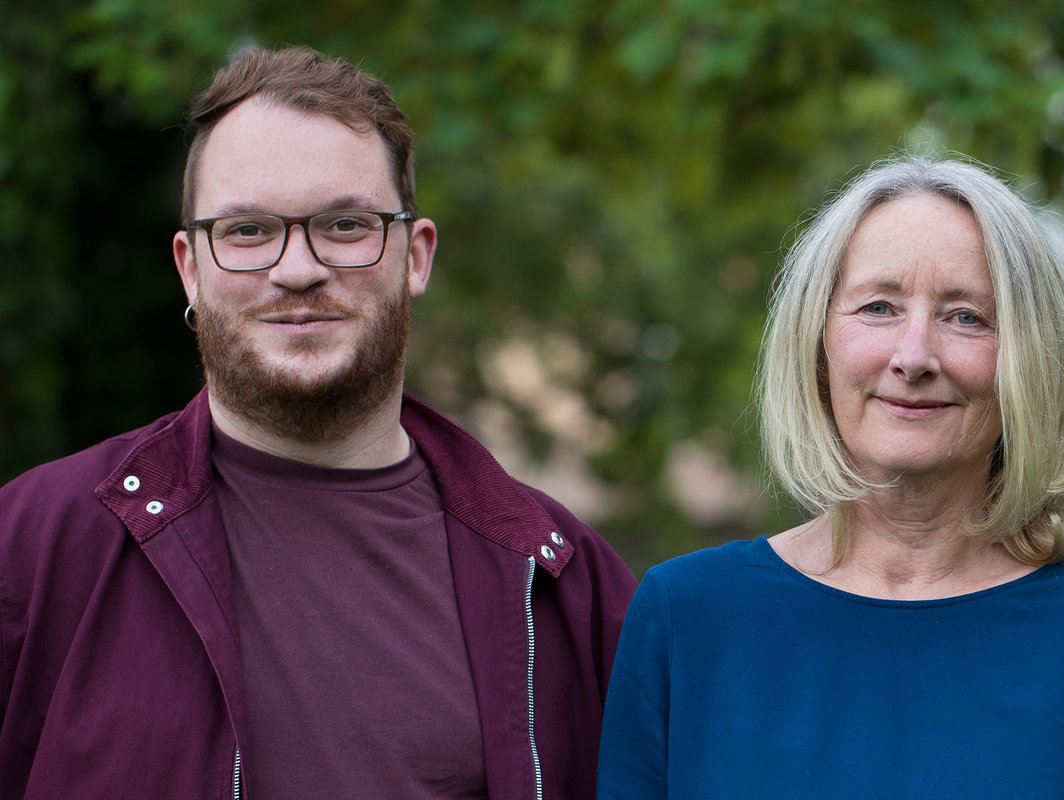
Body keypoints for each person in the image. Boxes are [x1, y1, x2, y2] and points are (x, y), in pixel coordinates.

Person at [0, 46, 637, 800]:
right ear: (190, 268)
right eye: (246, 231)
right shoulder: (31, 549)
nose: (297, 268)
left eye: (344, 224)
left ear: (416, 256)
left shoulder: (567, 585)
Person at [597, 155, 1064, 798]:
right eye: (879, 307)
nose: (914, 357)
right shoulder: (686, 618)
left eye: (965, 316)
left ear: (1032, 360)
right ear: (818, 346)